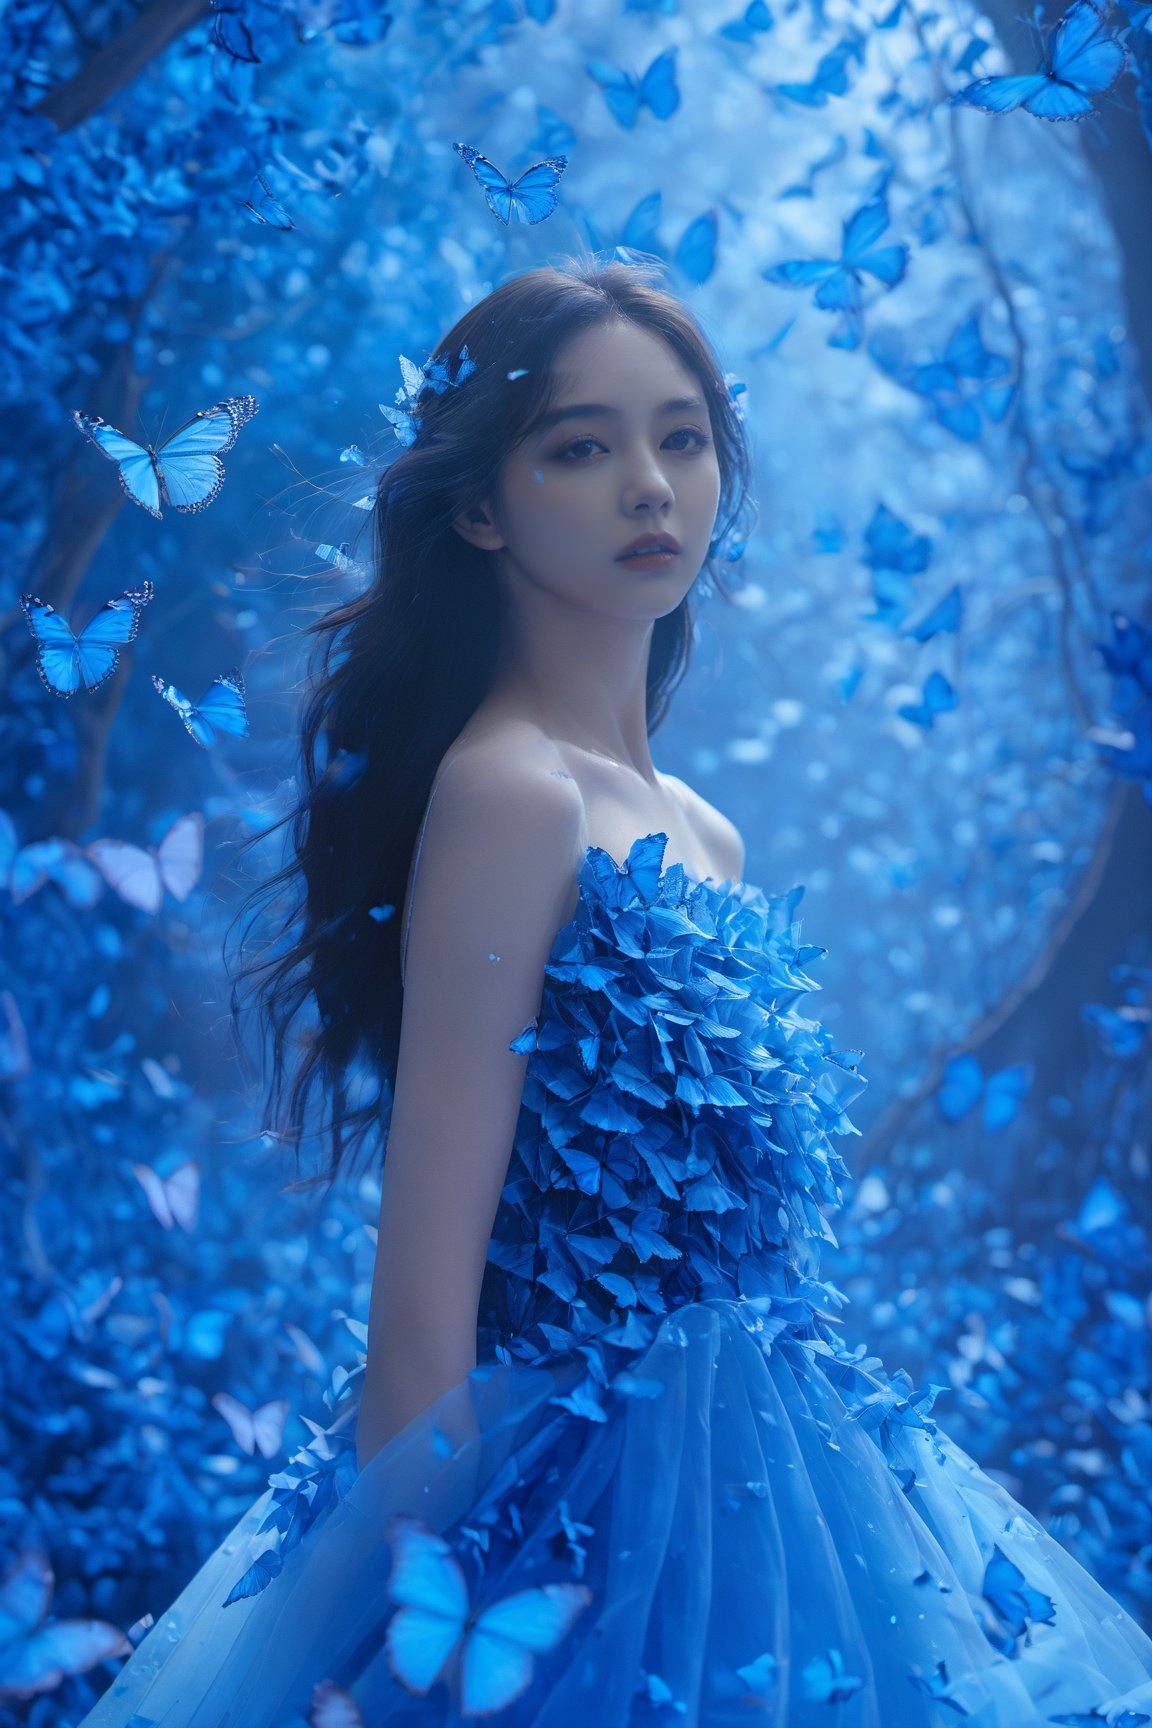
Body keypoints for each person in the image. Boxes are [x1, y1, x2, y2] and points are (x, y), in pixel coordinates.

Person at [76, 258, 1152, 1727]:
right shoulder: (510, 795)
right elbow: (423, 1290)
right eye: (581, 447)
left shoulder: (705, 829)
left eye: (683, 437)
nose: (651, 486)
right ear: (478, 505)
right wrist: (408, 1640)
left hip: (784, 1485)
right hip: (572, 1510)